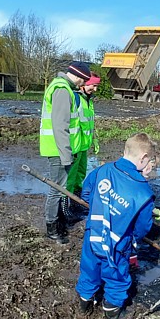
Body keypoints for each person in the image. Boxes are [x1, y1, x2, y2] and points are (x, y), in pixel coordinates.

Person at [75, 132, 160, 319]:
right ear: (144, 158)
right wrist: (133, 239)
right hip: (117, 245)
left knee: (89, 270)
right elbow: (142, 228)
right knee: (117, 278)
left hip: (93, 234)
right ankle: (112, 313)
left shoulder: (102, 170)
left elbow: (87, 193)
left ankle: (85, 303)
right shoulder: (143, 191)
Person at [40, 61, 91, 244]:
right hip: (58, 150)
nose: (83, 85)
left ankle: (59, 221)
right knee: (56, 190)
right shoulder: (62, 89)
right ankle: (52, 228)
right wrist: (66, 155)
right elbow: (60, 127)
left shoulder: (65, 88)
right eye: (83, 81)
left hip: (59, 149)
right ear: (77, 76)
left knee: (59, 188)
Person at [67, 75, 101, 198]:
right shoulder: (75, 98)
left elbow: (89, 123)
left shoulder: (88, 100)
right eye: (94, 85)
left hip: (83, 145)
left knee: (80, 173)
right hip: (74, 145)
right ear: (85, 84)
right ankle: (66, 202)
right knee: (70, 176)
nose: (95, 89)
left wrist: (94, 141)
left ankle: (76, 197)